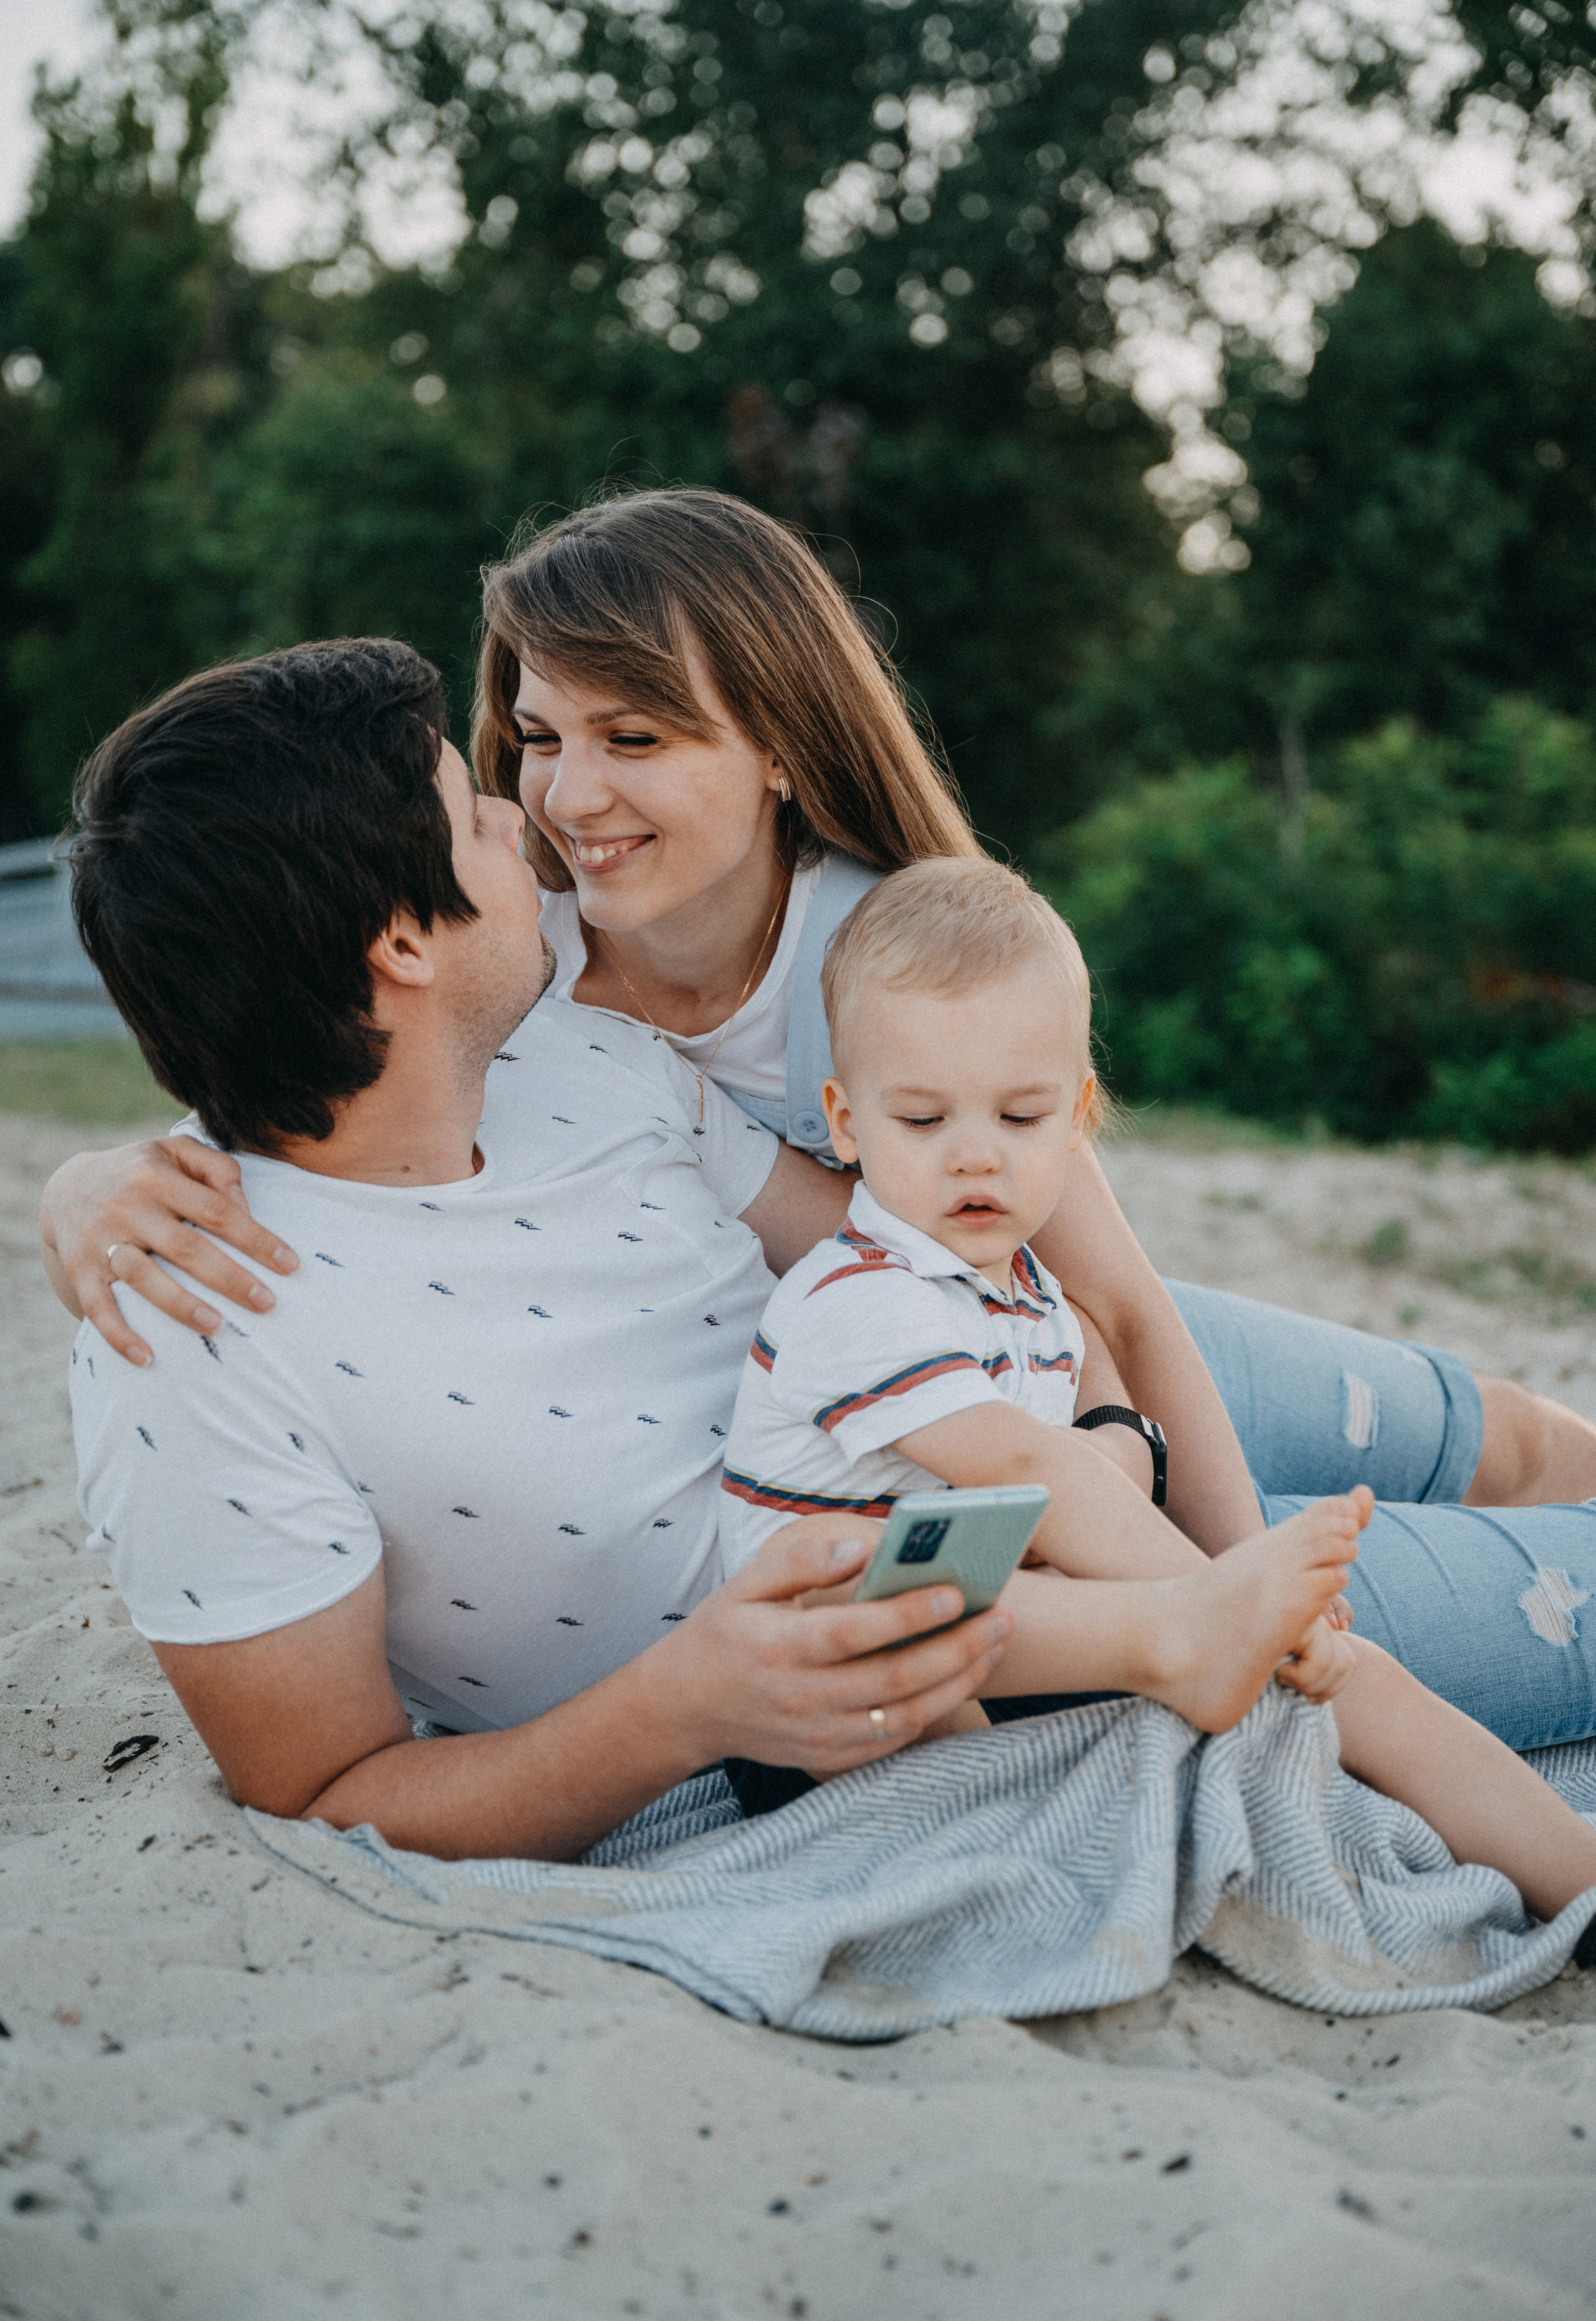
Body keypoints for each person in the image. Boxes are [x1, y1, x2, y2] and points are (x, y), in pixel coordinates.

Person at [39, 490, 1596, 1754]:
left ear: (778, 749)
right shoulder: (530, 969)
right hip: (898, 1440)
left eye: (633, 738)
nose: (558, 803)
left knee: (1501, 1434)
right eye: (527, 745)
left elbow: (1108, 1292)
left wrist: (1184, 1533)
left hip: (1047, 1343)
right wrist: (95, 1177)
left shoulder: (867, 952)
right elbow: (306, 1048)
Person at [58, 637, 1375, 1862]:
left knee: (1490, 1437)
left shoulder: (576, 1051)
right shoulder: (185, 1325)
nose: (523, 814)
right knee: (1547, 1604)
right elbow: (323, 1790)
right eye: (474, 810)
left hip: (1032, 1409)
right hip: (962, 1612)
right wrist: (676, 1713)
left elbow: (934, 1260)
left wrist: (1106, 1442)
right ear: (400, 939)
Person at [719, 858, 1596, 1933]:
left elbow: (1082, 1471)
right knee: (1232, 1645)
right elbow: (1030, 1470)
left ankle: (1577, 1872)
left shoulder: (1028, 1296)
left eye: (1021, 1116)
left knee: (1352, 1676)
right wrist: (1221, 1590)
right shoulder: (858, 1298)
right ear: (847, 1124)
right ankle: (1012, 1839)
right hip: (820, 1686)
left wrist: (1188, 1546)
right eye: (923, 1120)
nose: (975, 1157)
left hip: (987, 1618)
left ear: (1079, 1117)